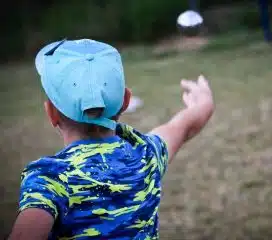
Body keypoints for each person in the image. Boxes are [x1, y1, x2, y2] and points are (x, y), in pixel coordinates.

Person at [8, 39, 214, 240]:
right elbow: (183, 127)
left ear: (51, 113)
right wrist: (203, 102)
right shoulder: (146, 155)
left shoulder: (50, 180)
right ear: (125, 101)